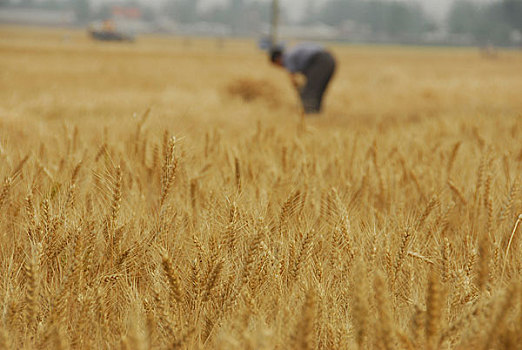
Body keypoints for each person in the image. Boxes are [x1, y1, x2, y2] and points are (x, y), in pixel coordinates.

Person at [270, 43, 336, 114]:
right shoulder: (292, 53)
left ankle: (310, 114)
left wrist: (300, 91)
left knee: (309, 91)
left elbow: (293, 79)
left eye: (277, 65)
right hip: (330, 59)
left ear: (277, 59)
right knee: (318, 90)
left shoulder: (287, 58)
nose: (280, 67)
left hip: (319, 61)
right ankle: (316, 114)